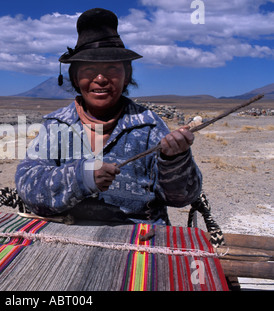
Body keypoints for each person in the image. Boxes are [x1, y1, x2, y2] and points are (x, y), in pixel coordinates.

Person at [15, 8, 202, 224]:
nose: (101, 78)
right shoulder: (57, 125)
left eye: (112, 68)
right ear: (75, 78)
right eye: (89, 69)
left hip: (139, 240)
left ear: (126, 76)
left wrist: (175, 161)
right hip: (68, 236)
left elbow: (183, 198)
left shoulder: (149, 125)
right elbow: (27, 183)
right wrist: (81, 179)